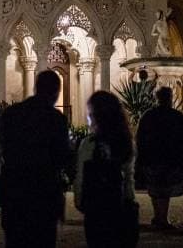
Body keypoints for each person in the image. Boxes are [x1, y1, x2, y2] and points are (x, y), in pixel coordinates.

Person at [0, 70, 70, 248]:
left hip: (14, 192)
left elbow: (4, 150)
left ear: (35, 87)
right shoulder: (56, 120)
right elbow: (61, 158)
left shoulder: (11, 114)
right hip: (43, 194)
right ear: (56, 92)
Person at [75, 91, 138, 248]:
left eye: (90, 114)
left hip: (96, 208)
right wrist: (129, 201)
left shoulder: (88, 144)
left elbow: (81, 178)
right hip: (121, 207)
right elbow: (129, 177)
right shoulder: (126, 141)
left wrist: (80, 201)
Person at [135, 86, 183, 229]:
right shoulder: (176, 116)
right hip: (170, 156)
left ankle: (159, 217)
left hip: (152, 156)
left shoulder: (148, 115)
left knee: (155, 188)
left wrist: (140, 155)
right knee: (164, 188)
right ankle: (162, 218)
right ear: (170, 98)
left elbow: (140, 137)